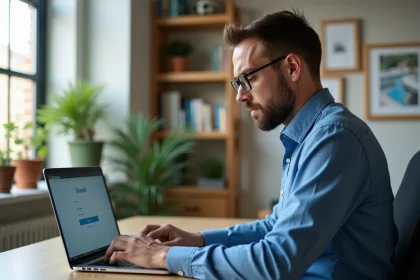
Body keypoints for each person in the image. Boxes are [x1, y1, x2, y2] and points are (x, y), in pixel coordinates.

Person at [105, 10, 397, 279]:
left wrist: (163, 255)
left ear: (292, 67)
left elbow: (276, 261)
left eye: (249, 78)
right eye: (237, 83)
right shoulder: (313, 135)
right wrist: (199, 240)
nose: (240, 97)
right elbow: (275, 227)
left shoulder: (334, 138)